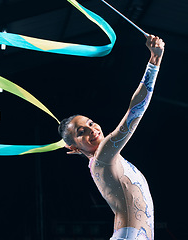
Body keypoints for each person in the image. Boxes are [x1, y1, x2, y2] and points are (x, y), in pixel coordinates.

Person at [58, 35, 164, 240]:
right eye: (81, 132)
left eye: (89, 123)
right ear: (73, 148)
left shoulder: (109, 158)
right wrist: (154, 60)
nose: (91, 130)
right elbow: (135, 112)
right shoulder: (102, 157)